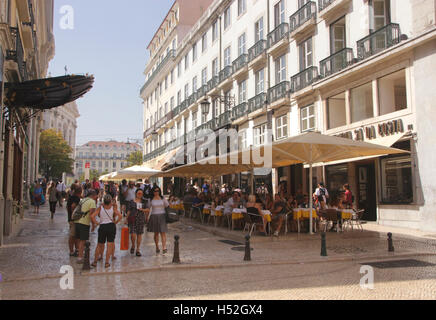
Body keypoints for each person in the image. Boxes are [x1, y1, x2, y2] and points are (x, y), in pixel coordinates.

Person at [90, 194, 122, 268]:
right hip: (111, 226)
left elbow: (92, 216)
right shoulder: (113, 208)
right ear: (110, 201)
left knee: (99, 245)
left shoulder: (100, 208)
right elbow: (120, 216)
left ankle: (95, 262)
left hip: (102, 226)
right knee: (109, 245)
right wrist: (116, 222)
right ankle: (107, 262)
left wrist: (96, 223)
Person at [74, 190, 98, 264]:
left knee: (78, 239)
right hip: (84, 223)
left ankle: (79, 253)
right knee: (82, 240)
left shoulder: (83, 200)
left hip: (77, 221)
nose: (97, 197)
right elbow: (91, 215)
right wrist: (94, 225)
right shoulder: (92, 202)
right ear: (93, 195)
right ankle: (80, 257)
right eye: (96, 196)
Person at [147, 186, 169, 254]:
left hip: (162, 216)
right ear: (153, 192)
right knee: (156, 233)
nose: (156, 192)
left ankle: (164, 247)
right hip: (154, 216)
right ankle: (157, 247)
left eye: (158, 191)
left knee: (163, 232)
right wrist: (147, 217)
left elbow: (167, 205)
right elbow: (148, 208)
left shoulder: (163, 198)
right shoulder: (150, 199)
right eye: (155, 191)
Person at [127, 189, 149, 256]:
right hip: (133, 219)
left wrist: (143, 210)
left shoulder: (144, 201)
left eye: (141, 193)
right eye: (139, 193)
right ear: (136, 193)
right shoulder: (131, 202)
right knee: (133, 234)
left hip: (141, 219)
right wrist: (126, 219)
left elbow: (148, 209)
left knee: (139, 234)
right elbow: (129, 211)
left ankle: (138, 249)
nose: (140, 194)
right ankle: (133, 245)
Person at [67, 186, 82, 257]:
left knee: (76, 235)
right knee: (73, 235)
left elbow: (68, 207)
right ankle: (72, 251)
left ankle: (76, 249)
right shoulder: (76, 199)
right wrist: (74, 214)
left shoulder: (71, 197)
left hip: (70, 218)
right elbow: (73, 206)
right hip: (74, 220)